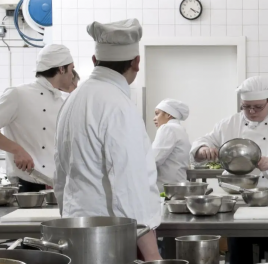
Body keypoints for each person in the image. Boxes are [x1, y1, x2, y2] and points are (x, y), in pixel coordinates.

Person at [54, 18, 161, 261]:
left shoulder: (72, 99)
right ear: (136, 62)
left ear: (95, 60)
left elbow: (60, 173)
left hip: (76, 231)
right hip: (115, 238)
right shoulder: (117, 105)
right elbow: (129, 184)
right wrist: (153, 255)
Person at [191, 76, 268, 264]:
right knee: (239, 253)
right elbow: (203, 141)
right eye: (246, 106)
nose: (251, 111)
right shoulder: (230, 123)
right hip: (239, 197)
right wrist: (203, 150)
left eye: (258, 107)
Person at [0, 44, 74, 192]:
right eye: (71, 69)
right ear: (61, 69)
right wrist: (17, 150)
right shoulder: (18, 95)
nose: (72, 75)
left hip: (59, 186)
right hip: (28, 186)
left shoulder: (64, 100)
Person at [153, 99, 191, 192]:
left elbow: (153, 160)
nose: (154, 118)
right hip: (179, 187)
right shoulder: (181, 130)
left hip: (166, 190)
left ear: (168, 114)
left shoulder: (167, 128)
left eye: (157, 114)